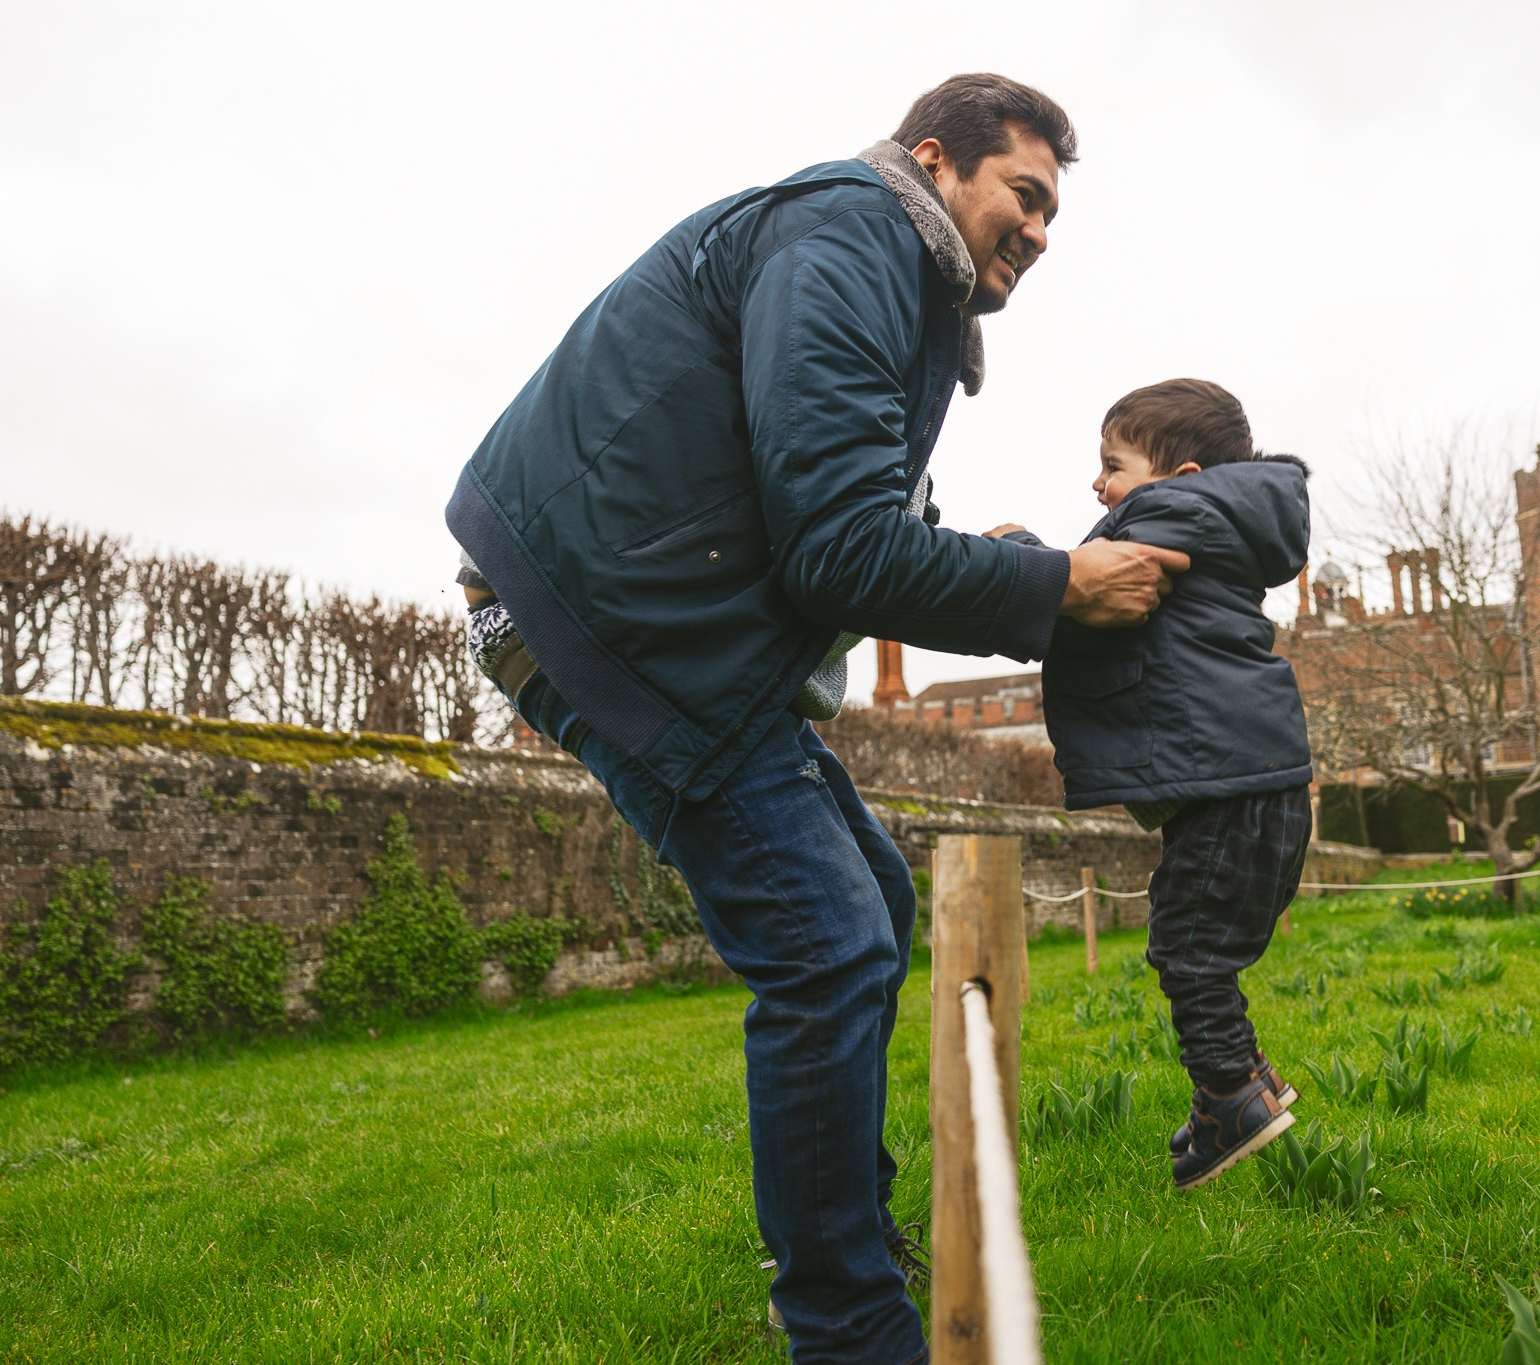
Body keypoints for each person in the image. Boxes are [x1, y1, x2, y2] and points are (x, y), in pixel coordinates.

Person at [444, 75, 1189, 1364]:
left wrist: (983, 556)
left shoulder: (885, 275)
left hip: (678, 634)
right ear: (934, 160)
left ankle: (844, 1228)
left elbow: (841, 521)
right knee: (830, 948)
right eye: (1023, 194)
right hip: (621, 626)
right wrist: (1052, 588)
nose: (1040, 232)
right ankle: (846, 1325)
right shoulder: (849, 234)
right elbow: (836, 553)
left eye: (1054, 212)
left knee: (871, 908)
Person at [1006, 378, 1314, 1191]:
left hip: (1232, 787)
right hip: (1259, 782)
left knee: (1186, 948)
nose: (1099, 485)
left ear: (1179, 477)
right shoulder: (1223, 522)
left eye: (1113, 465)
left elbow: (1094, 584)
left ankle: (1230, 1094)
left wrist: (1021, 556)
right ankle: (1244, 1079)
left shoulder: (1175, 516)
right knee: (1201, 946)